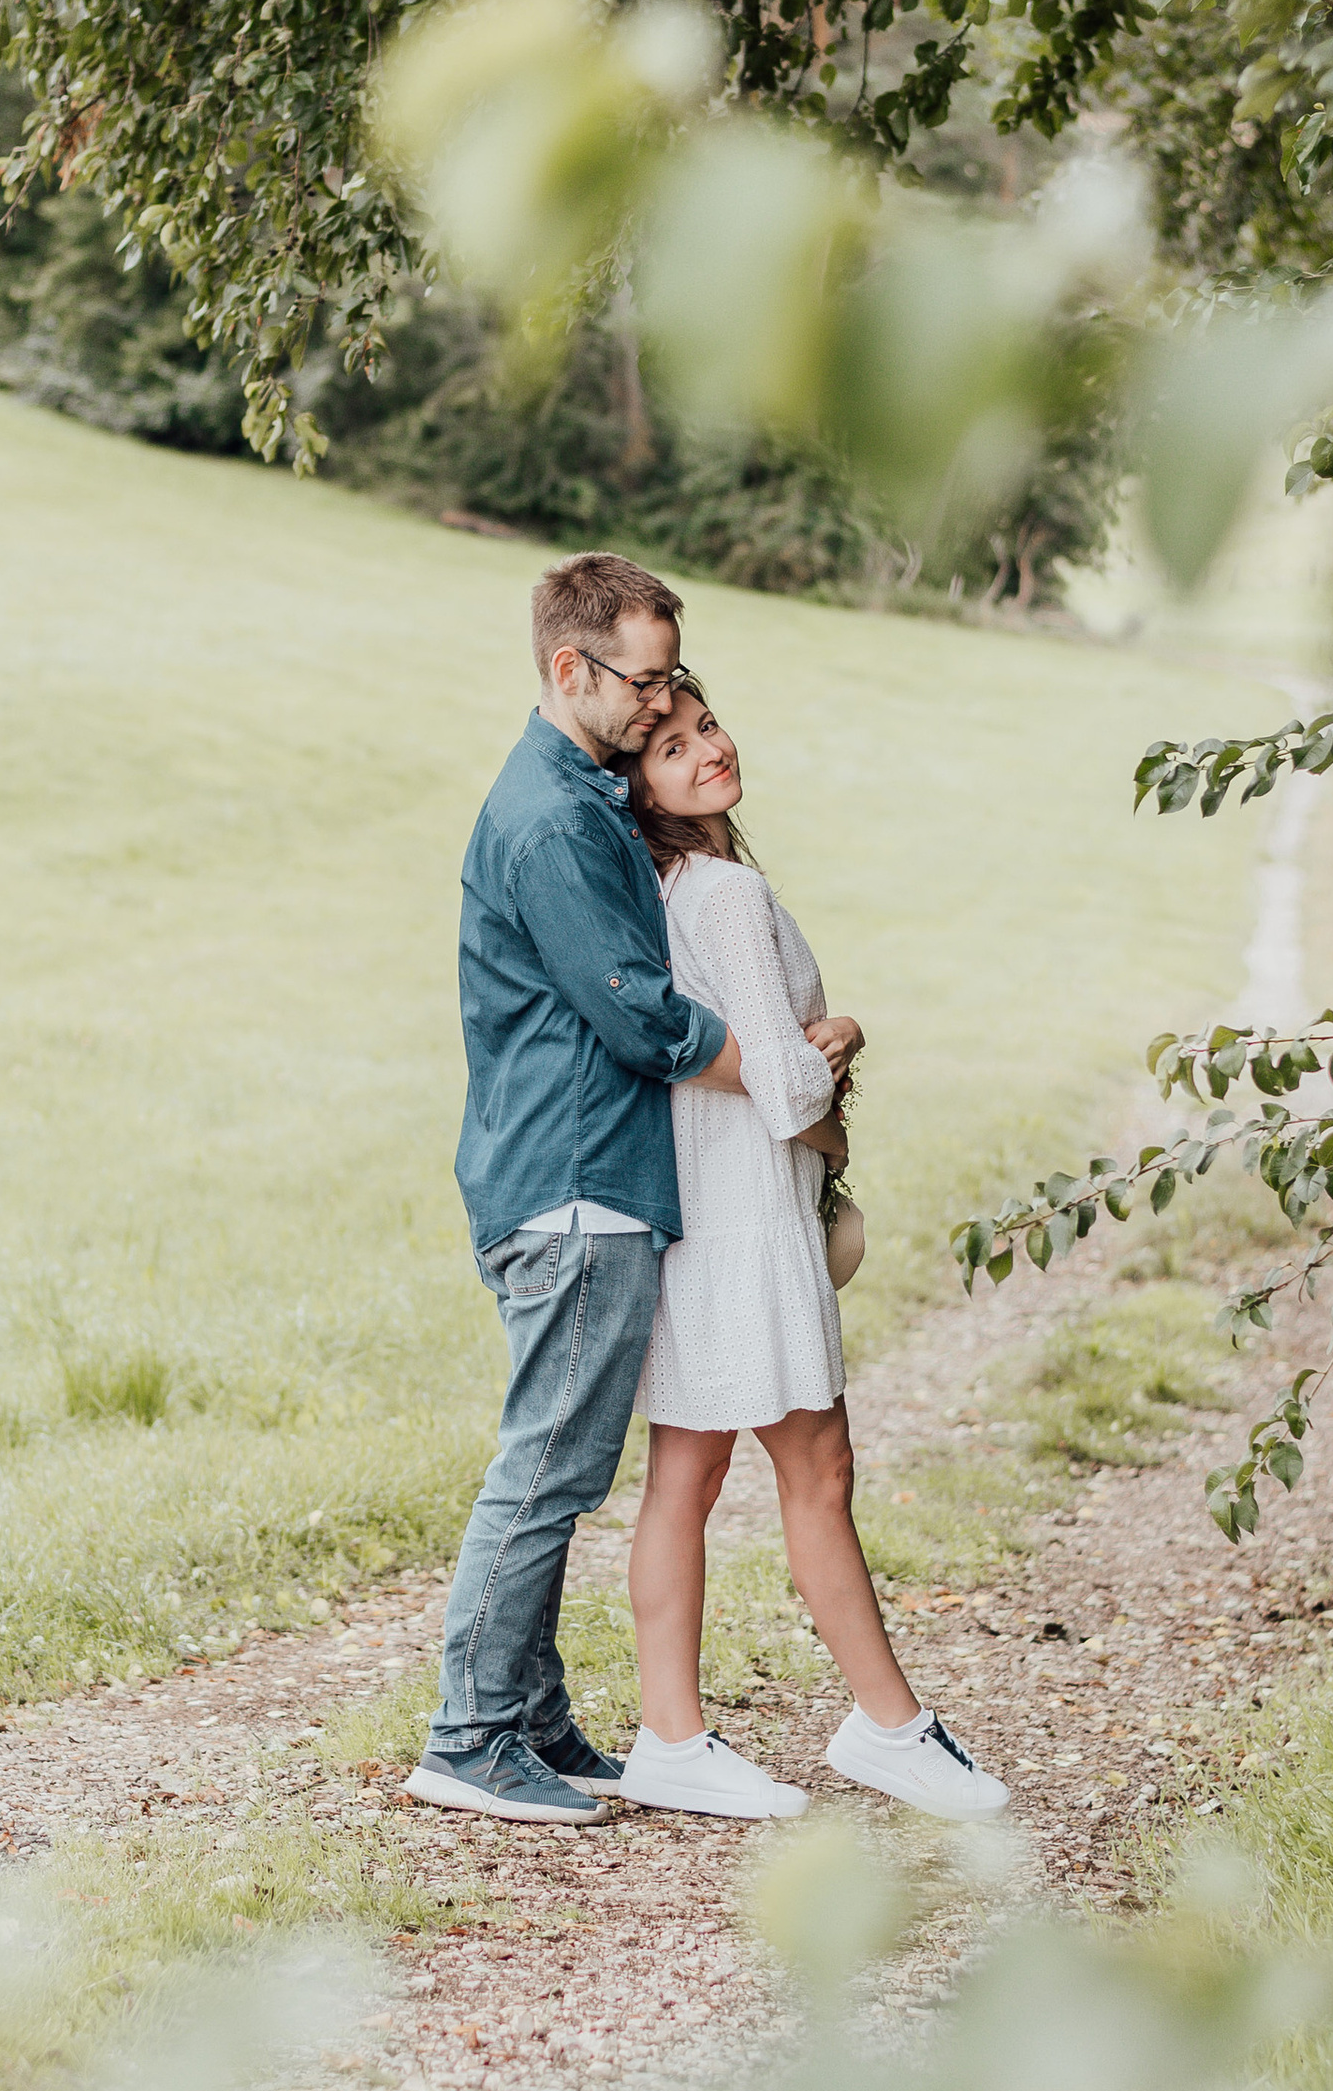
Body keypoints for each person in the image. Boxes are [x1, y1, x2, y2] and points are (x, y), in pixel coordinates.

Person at [614, 679, 1011, 1823]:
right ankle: (891, 1729)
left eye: (706, 726)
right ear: (638, 787)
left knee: (684, 1478)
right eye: (672, 747)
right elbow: (786, 1089)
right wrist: (842, 1043)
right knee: (818, 1468)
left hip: (699, 1212)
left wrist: (812, 1051)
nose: (707, 752)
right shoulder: (727, 891)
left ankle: (672, 1734)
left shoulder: (663, 891)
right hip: (745, 1222)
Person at [404, 553, 749, 1828]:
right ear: (571, 669)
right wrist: (779, 1078)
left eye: (671, 681)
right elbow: (635, 1014)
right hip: (573, 1181)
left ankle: (533, 1718)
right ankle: (470, 1734)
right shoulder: (550, 817)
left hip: (579, 1177)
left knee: (566, 1462)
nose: (663, 707)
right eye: (647, 683)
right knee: (548, 1467)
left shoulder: (578, 790)